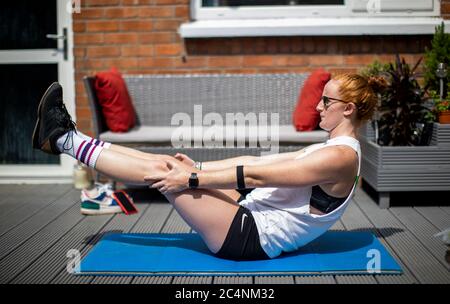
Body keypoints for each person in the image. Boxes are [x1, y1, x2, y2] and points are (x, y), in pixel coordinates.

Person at [32, 73, 381, 260]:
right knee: (170, 164)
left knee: (167, 175)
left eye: (327, 101)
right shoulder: (333, 147)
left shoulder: (340, 158)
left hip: (250, 238)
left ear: (348, 109)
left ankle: (64, 141)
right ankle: (67, 138)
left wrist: (192, 179)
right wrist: (197, 166)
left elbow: (257, 175)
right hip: (249, 213)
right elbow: (253, 162)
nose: (318, 106)